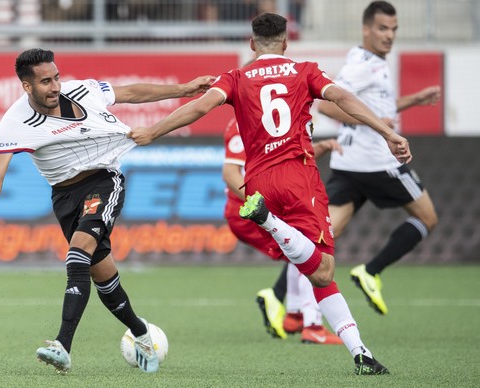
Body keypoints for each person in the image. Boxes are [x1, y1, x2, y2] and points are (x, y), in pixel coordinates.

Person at [128, 12, 414, 375]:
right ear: (285, 42)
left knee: (317, 274)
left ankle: (361, 354)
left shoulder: (236, 77)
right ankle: (273, 228)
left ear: (251, 44)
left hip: (259, 181)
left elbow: (199, 106)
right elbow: (341, 97)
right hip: (298, 179)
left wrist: (152, 133)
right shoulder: (304, 70)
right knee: (323, 268)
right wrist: (386, 133)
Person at [0, 48, 213, 374]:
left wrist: (183, 88)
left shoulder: (82, 90)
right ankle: (142, 334)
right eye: (45, 82)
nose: (55, 86)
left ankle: (62, 345)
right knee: (102, 276)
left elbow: (132, 93)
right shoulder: (15, 123)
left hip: (102, 181)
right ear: (27, 87)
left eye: (56, 77)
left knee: (77, 254)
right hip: (65, 199)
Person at [317, 1, 440, 316]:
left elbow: (377, 109)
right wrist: (373, 124)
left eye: (394, 30)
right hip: (377, 162)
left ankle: (281, 297)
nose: (389, 36)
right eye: (383, 28)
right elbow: (328, 106)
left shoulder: (370, 60)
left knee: (325, 234)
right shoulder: (364, 65)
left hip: (349, 163)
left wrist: (414, 100)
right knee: (427, 218)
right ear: (366, 29)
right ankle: (370, 271)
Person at [223, 117, 342, 345]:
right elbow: (230, 173)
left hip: (271, 203)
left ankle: (295, 315)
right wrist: (259, 207)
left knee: (299, 249)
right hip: (250, 212)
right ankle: (312, 325)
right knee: (308, 248)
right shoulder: (242, 121)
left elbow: (289, 160)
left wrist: (322, 147)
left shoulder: (279, 110)